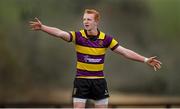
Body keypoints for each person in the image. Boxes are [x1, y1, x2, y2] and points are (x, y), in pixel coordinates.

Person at [29, 9, 162, 108]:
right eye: (84, 19)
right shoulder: (78, 36)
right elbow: (60, 33)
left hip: (99, 82)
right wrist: (43, 27)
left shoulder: (106, 39)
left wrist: (145, 60)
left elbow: (125, 52)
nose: (85, 22)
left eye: (89, 19)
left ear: (96, 22)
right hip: (81, 82)